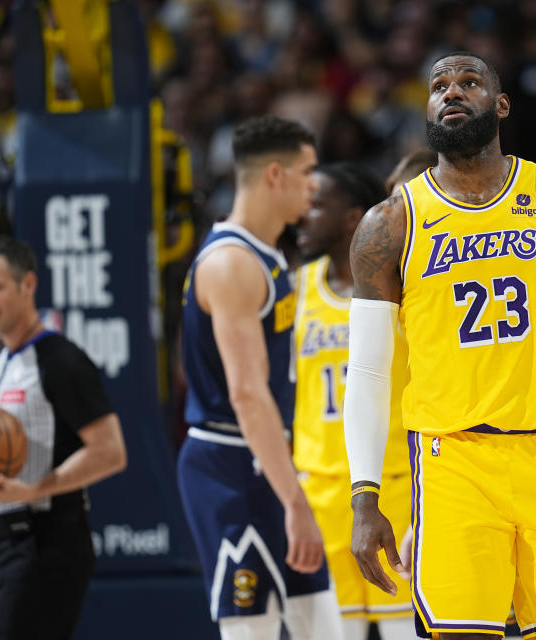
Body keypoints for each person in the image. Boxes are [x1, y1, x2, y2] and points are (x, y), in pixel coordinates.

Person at [343, 51, 536, 639]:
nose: (452, 91)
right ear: (427, 109)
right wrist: (365, 495)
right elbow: (366, 370)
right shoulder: (388, 224)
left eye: (470, 81)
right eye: (439, 85)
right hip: (453, 463)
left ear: (502, 104)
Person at [176, 116, 342, 640]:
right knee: (253, 631)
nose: (315, 184)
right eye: (307, 171)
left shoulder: (265, 255)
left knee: (322, 627)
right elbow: (247, 394)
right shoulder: (232, 265)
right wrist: (294, 500)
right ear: (275, 175)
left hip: (264, 460)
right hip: (233, 464)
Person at [292, 162, 416, 640]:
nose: (303, 216)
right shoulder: (296, 290)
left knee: (403, 629)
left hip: (394, 483)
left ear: (352, 218)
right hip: (320, 490)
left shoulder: (404, 286)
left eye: (316, 204)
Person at [0, 235, 127, 639]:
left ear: (27, 285)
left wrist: (34, 488)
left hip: (45, 540)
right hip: (4, 541)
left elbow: (110, 453)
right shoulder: (0, 364)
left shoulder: (62, 361)